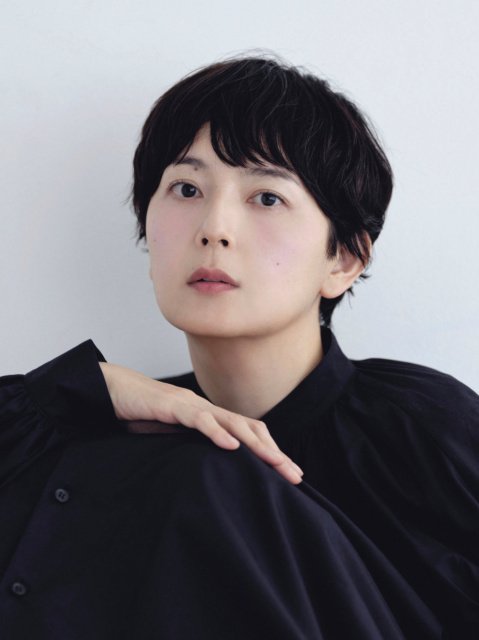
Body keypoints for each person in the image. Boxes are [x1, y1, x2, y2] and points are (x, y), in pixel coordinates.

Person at [1, 55, 478, 639]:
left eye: (267, 197)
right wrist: (78, 391)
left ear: (344, 259)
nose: (214, 227)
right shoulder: (106, 438)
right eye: (186, 188)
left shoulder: (425, 428)